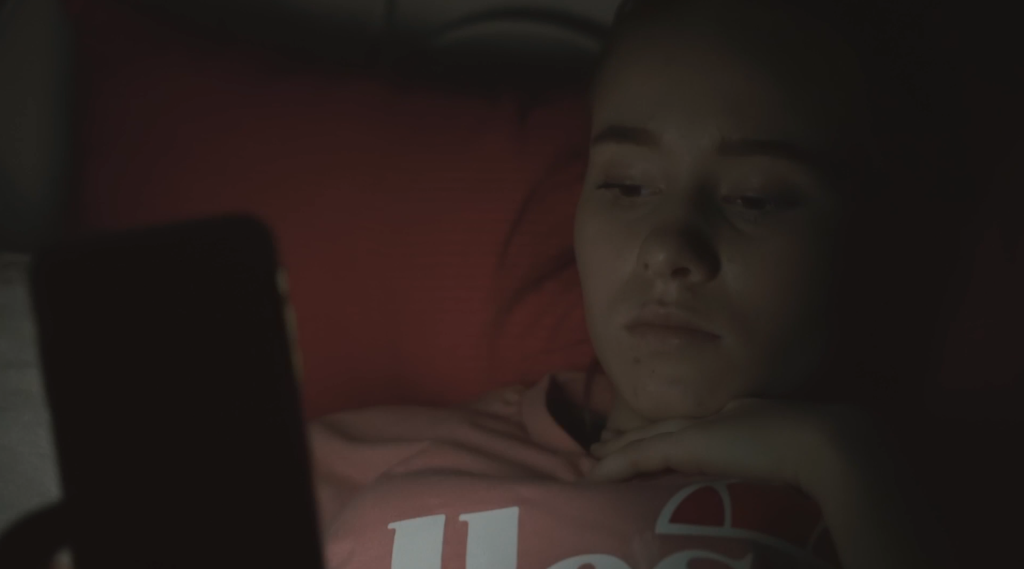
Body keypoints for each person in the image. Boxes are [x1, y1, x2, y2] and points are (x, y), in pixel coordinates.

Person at [309, 1, 970, 568]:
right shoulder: (366, 458)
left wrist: (843, 465)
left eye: (756, 198)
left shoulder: (898, 503)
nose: (668, 248)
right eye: (627, 186)